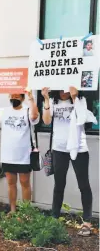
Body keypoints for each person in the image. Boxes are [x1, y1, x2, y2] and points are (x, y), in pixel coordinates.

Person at [41, 87, 93, 237]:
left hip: (79, 147)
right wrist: (45, 99)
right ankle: (55, 218)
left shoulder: (81, 100)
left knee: (83, 184)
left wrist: (75, 97)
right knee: (59, 185)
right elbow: (46, 121)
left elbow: (82, 119)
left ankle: (87, 221)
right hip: (59, 148)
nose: (64, 91)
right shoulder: (52, 101)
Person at [0, 89, 39, 213]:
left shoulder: (27, 110)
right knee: (11, 183)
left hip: (24, 155)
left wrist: (31, 98)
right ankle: (13, 209)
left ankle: (26, 212)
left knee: (25, 183)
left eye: (17, 96)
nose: (14, 98)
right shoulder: (4, 111)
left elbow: (35, 116)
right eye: (12, 96)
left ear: (22, 98)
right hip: (8, 155)